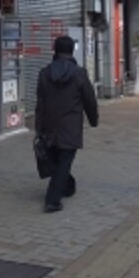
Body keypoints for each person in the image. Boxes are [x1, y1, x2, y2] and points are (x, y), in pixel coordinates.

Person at [35, 35, 98, 213]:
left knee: (57, 159)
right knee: (64, 161)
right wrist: (93, 120)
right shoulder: (79, 73)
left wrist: (39, 127)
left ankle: (67, 185)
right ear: (72, 51)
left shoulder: (44, 73)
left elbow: (40, 103)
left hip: (49, 125)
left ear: (55, 50)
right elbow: (89, 100)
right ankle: (53, 200)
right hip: (70, 125)